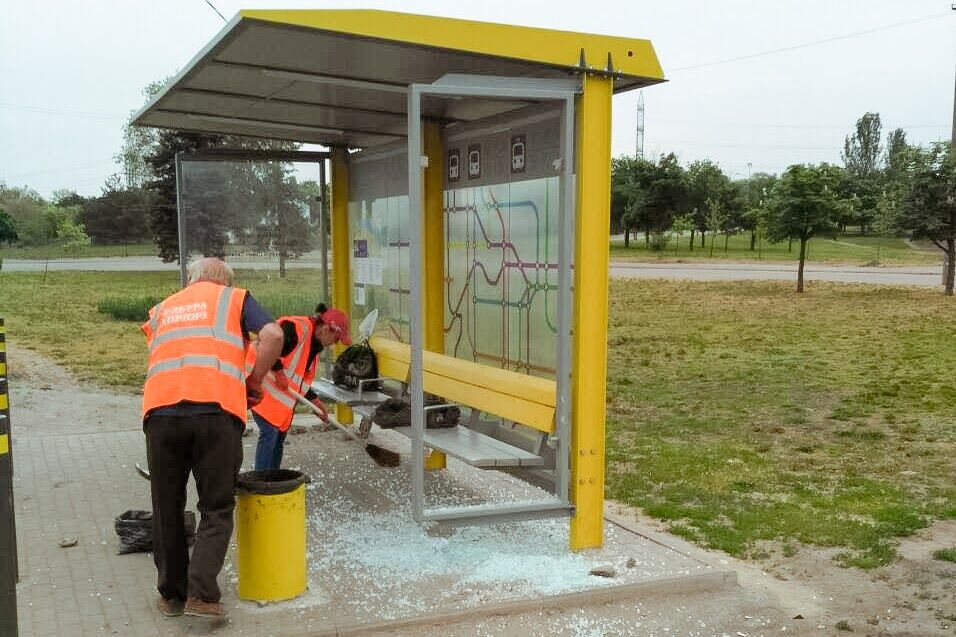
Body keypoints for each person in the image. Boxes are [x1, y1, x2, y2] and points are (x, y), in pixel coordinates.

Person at [141, 257, 283, 619]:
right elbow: (273, 335)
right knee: (216, 506)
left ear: (193, 278)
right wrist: (253, 381)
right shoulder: (235, 299)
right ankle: (202, 597)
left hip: (160, 414)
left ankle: (172, 595)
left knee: (166, 506)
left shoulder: (163, 308)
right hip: (216, 412)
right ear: (224, 280)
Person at [249, 304, 352, 470]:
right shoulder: (296, 329)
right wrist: (278, 372)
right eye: (336, 338)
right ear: (326, 329)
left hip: (279, 403)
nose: (334, 343)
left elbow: (298, 381)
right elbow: (267, 346)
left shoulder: (315, 346)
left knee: (279, 437)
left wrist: (316, 402)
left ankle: (273, 480)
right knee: (270, 434)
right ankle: (261, 483)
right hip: (260, 386)